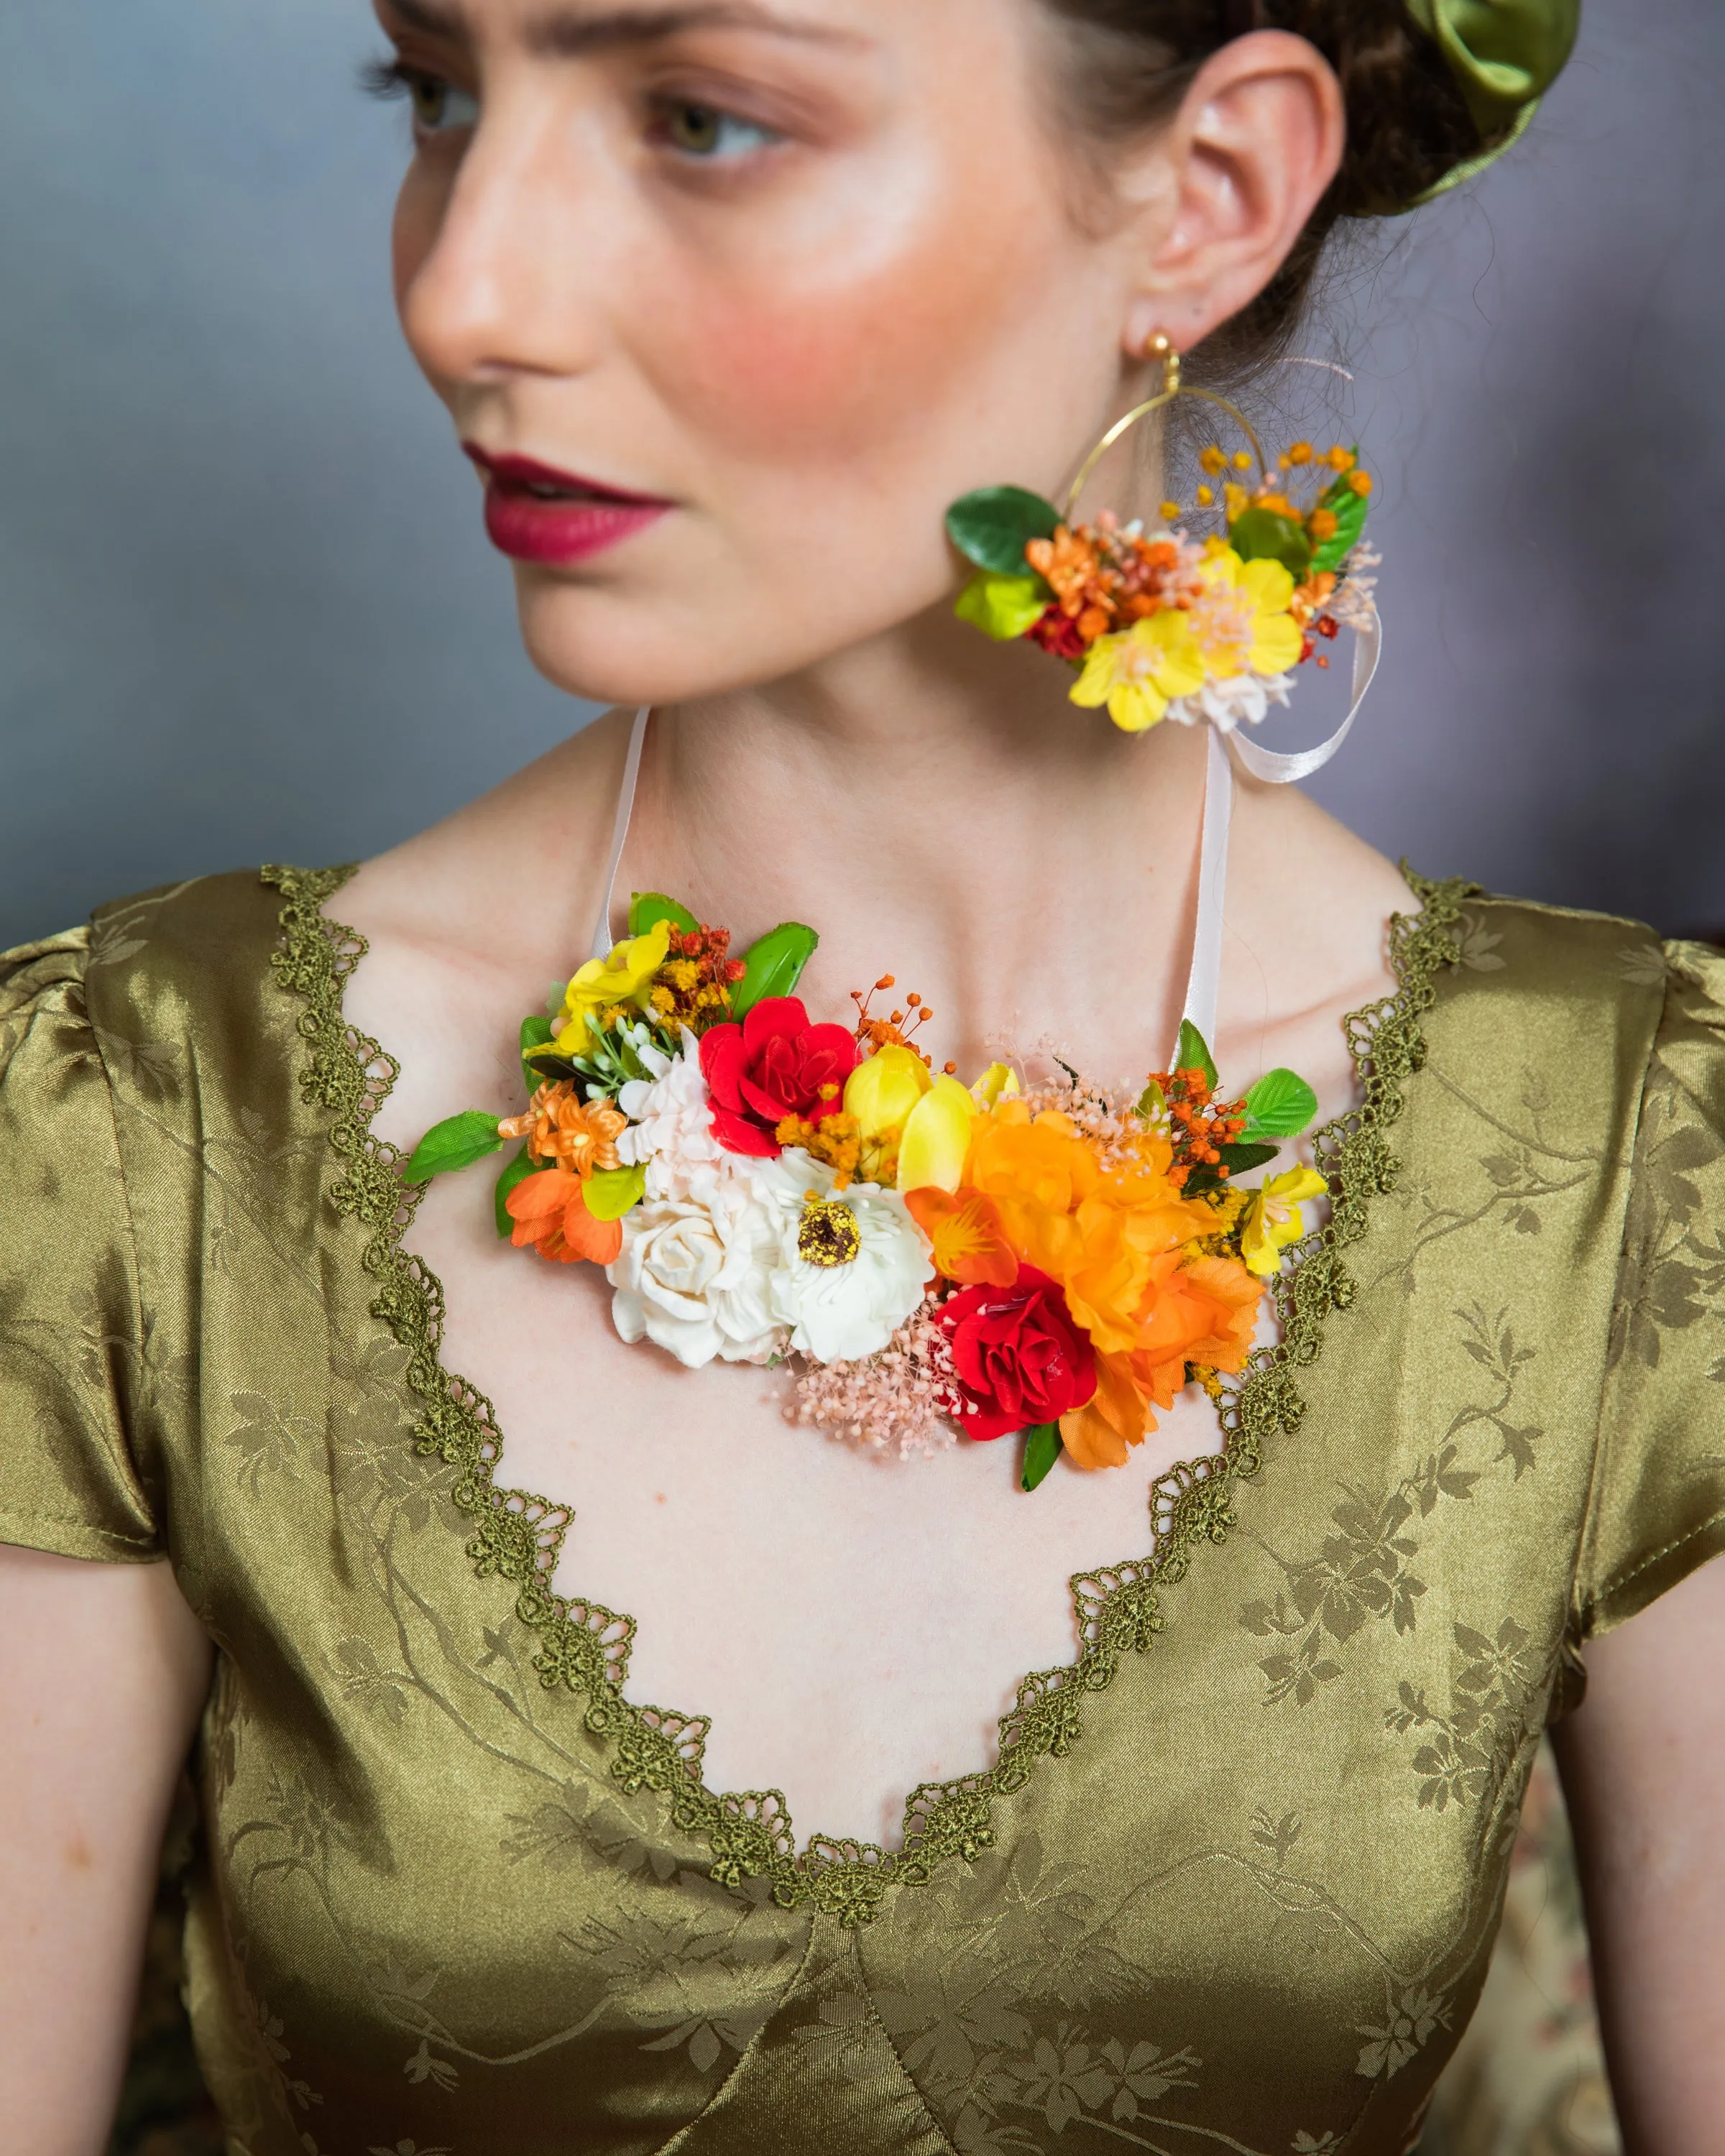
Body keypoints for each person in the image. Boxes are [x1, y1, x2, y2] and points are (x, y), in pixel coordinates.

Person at [2, 1, 1721, 2150]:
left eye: (702, 118)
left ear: (1208, 200)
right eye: (437, 93)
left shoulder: (1623, 1178)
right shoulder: (140, 1122)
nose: (464, 292)